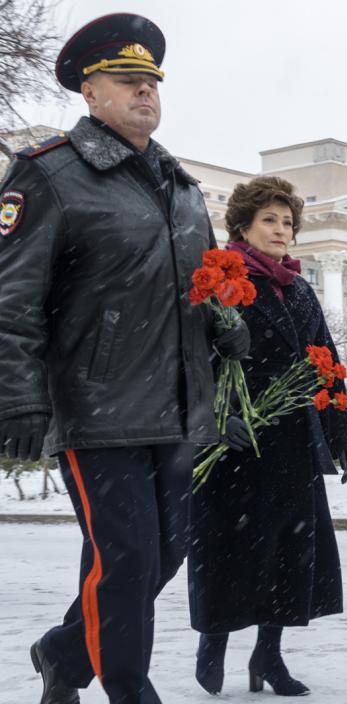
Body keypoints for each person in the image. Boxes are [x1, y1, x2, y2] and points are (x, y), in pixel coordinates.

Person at [0, 14, 250, 704]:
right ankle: (129, 688)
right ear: (89, 92)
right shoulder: (49, 175)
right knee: (127, 560)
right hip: (96, 402)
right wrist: (19, 397)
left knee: (160, 556)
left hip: (176, 404)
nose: (145, 93)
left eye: (152, 83)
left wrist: (224, 321)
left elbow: (194, 285)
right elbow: (12, 298)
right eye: (127, 81)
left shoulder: (181, 186)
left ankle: (62, 653)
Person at [187, 176, 347, 697]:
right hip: (235, 444)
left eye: (287, 222)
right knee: (229, 551)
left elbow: (326, 364)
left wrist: (340, 429)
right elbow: (193, 357)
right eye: (269, 220)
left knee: (289, 553)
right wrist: (214, 415)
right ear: (242, 226)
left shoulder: (299, 287)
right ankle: (213, 640)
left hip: (292, 444)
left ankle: (269, 655)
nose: (281, 230)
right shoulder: (217, 281)